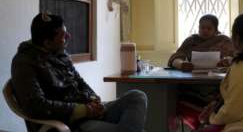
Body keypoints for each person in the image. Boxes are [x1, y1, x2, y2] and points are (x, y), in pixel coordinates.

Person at [11, 13, 147, 132]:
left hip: (87, 110)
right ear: (47, 43)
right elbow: (36, 106)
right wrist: (83, 110)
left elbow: (79, 81)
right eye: (63, 36)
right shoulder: (24, 63)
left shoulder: (59, 54)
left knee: (137, 96)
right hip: (71, 123)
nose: (69, 36)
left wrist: (94, 99)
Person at [168, 14, 234, 72]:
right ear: (198, 28)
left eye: (209, 28)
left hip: (218, 77)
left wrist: (227, 60)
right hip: (192, 77)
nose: (205, 31)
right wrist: (181, 64)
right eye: (202, 27)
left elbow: (235, 58)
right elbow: (175, 58)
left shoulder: (223, 40)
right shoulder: (191, 41)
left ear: (216, 30)